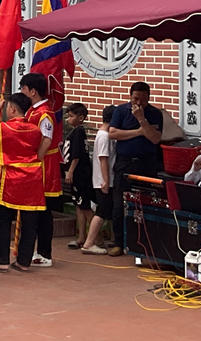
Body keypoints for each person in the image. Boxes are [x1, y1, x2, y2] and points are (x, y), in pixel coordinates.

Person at [0, 93, 44, 272]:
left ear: (12, 108)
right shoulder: (36, 130)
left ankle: (1, 259)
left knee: (2, 219)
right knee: (30, 221)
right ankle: (24, 261)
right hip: (32, 178)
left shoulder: (3, 128)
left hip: (11, 177)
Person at [108, 81, 163, 257]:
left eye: (143, 99)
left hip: (146, 163)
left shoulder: (155, 114)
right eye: (135, 99)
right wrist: (139, 132)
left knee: (146, 203)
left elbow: (155, 138)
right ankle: (118, 242)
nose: (138, 103)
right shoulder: (121, 110)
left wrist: (141, 120)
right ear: (130, 96)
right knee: (118, 205)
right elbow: (113, 133)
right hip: (125, 162)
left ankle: (145, 243)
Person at [20, 73, 59, 267]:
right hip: (37, 166)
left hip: (44, 169)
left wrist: (36, 159)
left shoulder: (44, 113)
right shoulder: (32, 111)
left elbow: (47, 139)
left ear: (33, 92)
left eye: (23, 89)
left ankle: (45, 253)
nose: (21, 92)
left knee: (43, 212)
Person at [81, 106, 116, 254]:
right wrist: (106, 181)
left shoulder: (104, 135)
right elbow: (103, 159)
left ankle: (98, 241)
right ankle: (89, 243)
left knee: (104, 211)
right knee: (101, 212)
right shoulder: (104, 136)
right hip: (103, 180)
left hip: (103, 179)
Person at [62, 102, 93, 251]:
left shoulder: (79, 132)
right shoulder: (74, 132)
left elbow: (76, 155)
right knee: (79, 206)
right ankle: (81, 236)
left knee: (84, 205)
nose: (68, 119)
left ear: (81, 118)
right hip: (76, 174)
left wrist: (71, 171)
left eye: (72, 116)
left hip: (81, 174)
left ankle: (95, 238)